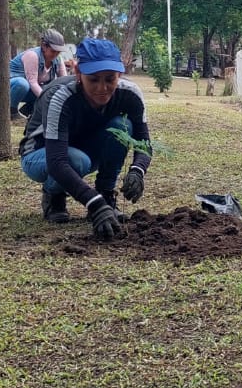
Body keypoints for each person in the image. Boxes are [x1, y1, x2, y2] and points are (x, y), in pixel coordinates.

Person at [19, 36, 153, 237]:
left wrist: (137, 170)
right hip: (40, 154)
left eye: (110, 79)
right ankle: (53, 195)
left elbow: (143, 141)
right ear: (78, 73)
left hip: (85, 150)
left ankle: (106, 195)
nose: (102, 88)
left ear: (120, 73)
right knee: (76, 160)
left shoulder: (131, 94)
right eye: (93, 79)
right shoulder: (60, 96)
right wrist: (93, 203)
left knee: (122, 126)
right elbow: (57, 161)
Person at [9, 30, 69, 120]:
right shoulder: (32, 55)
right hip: (10, 87)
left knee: (50, 89)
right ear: (44, 46)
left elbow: (64, 81)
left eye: (58, 52)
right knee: (22, 84)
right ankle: (12, 111)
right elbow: (32, 82)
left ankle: (27, 111)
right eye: (53, 51)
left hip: (28, 90)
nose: (56, 54)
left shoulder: (58, 59)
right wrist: (48, 100)